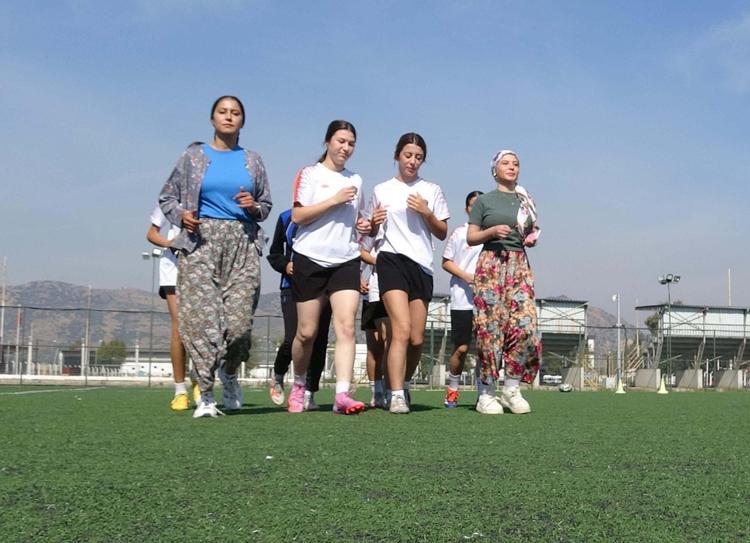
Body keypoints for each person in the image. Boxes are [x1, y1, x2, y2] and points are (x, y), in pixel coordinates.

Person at [159, 95, 272, 418]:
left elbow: (265, 205)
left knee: (239, 326)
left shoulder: (253, 160)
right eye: (223, 112)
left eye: (235, 113)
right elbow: (167, 198)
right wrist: (182, 216)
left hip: (242, 243)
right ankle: (206, 394)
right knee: (202, 323)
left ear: (242, 121)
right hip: (201, 242)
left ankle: (230, 372)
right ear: (212, 119)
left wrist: (253, 207)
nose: (229, 117)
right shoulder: (192, 157)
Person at [288, 120, 371, 415]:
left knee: (346, 326)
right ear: (327, 142)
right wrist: (334, 200)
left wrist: (365, 225)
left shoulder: (356, 180)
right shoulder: (310, 174)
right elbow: (298, 216)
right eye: (340, 141)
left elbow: (358, 220)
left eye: (351, 143)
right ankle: (299, 384)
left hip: (346, 259)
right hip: (310, 257)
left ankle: (342, 394)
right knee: (307, 332)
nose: (345, 148)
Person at [368, 133, 450, 414]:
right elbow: (371, 232)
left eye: (418, 157)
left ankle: (403, 384)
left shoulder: (432, 190)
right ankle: (395, 395)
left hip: (421, 265)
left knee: (416, 339)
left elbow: (442, 232)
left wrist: (427, 213)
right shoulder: (381, 190)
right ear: (397, 156)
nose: (412, 161)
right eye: (408, 156)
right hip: (390, 260)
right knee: (400, 330)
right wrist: (373, 223)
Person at [467, 150, 541, 415]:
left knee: (525, 325)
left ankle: (511, 388)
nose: (512, 167)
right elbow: (471, 237)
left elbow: (532, 229)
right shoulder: (484, 201)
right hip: (491, 263)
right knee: (490, 328)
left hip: (519, 264)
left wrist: (531, 237)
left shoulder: (525, 199)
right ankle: (486, 393)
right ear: (494, 170)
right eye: (506, 163)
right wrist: (491, 231)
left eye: (516, 163)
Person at [266, 207, 332, 411]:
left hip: (323, 286)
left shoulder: (330, 213)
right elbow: (275, 253)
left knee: (319, 340)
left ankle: (309, 392)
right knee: (294, 337)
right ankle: (278, 375)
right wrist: (286, 265)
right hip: (291, 286)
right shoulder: (286, 217)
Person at [441, 190, 483, 408]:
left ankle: (483, 392)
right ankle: (453, 389)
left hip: (487, 302)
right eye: (473, 205)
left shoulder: (493, 234)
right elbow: (446, 262)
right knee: (462, 348)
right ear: (467, 210)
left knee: (486, 350)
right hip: (462, 299)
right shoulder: (459, 233)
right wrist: (466, 276)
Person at [146, 206, 189, 411]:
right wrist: (171, 243)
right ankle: (180, 390)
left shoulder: (210, 196)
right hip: (173, 268)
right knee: (179, 327)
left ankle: (199, 380)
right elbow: (151, 233)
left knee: (200, 329)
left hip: (203, 266)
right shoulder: (169, 201)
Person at [359, 233, 388, 409]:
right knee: (374, 347)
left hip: (394, 293)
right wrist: (359, 278)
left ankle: (391, 388)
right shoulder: (373, 230)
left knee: (389, 341)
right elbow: (359, 256)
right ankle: (376, 392)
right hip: (372, 296)